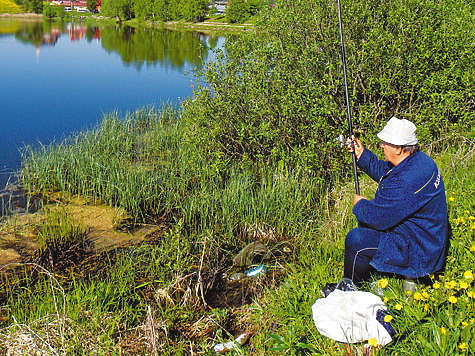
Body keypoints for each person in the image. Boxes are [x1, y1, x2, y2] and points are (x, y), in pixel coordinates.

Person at [344, 117, 449, 286]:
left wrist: (360, 204)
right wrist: (361, 154)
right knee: (365, 229)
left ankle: (350, 288)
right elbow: (386, 174)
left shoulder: (408, 180)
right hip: (425, 239)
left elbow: (376, 218)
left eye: (385, 143)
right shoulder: (419, 161)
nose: (382, 146)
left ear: (399, 148)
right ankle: (376, 276)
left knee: (356, 240)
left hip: (419, 250)